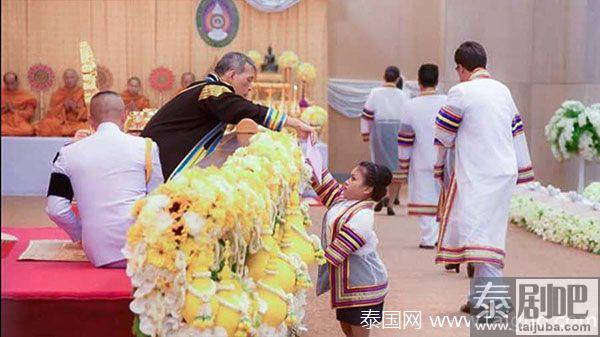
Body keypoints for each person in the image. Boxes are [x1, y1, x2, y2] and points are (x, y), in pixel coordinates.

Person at [433, 42, 534, 313]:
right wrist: (524, 170)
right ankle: (478, 298)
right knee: (487, 232)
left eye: (457, 69)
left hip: (478, 174)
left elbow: (443, 134)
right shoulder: (503, 90)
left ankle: (494, 300)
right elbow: (517, 131)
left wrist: (439, 165)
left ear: (462, 68)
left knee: (481, 235)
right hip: (504, 171)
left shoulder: (461, 91)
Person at [141, 52, 314, 180]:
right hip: (157, 159)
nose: (250, 87)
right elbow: (246, 110)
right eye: (248, 79)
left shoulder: (206, 89)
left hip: (158, 155)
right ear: (231, 75)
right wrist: (295, 123)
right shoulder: (212, 90)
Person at [45, 91, 163, 268]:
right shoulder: (146, 147)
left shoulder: (68, 153)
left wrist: (81, 235)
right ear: (124, 117)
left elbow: (56, 209)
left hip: (97, 251)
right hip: (140, 248)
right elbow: (157, 200)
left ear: (90, 120)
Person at [311, 162, 390, 337]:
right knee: (347, 328)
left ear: (367, 189)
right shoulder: (344, 200)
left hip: (365, 286)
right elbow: (321, 179)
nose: (346, 181)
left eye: (353, 179)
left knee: (358, 332)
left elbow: (337, 252)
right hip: (348, 285)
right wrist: (307, 144)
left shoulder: (363, 217)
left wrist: (305, 254)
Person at [398, 64, 446, 249]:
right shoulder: (447, 101)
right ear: (437, 81)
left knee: (424, 196)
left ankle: (428, 238)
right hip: (444, 156)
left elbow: (405, 138)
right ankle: (442, 238)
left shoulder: (410, 105)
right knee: (443, 196)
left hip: (420, 157)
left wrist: (404, 162)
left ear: (419, 82)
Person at [361, 66, 409, 215]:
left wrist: (365, 133)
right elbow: (408, 116)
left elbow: (367, 114)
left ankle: (383, 195)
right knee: (396, 168)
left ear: (384, 77)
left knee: (381, 166)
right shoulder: (403, 95)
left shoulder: (375, 93)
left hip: (379, 132)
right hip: (397, 131)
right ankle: (390, 202)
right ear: (397, 79)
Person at [36, 69, 89, 136]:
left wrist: (76, 108)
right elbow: (51, 113)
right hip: (61, 123)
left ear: (77, 79)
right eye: (67, 77)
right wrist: (63, 106)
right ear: (64, 79)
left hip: (77, 123)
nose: (69, 80)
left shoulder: (83, 93)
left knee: (87, 127)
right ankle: (67, 132)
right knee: (45, 125)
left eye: (72, 77)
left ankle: (67, 132)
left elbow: (88, 114)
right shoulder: (57, 94)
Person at [1, 72, 36, 136]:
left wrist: (13, 110)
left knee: (28, 130)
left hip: (18, 121)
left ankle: (9, 132)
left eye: (12, 83)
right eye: (7, 83)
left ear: (16, 82)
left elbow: (29, 114)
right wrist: (4, 109)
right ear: (4, 83)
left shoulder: (25, 96)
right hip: (4, 121)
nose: (9, 86)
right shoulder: (2, 94)